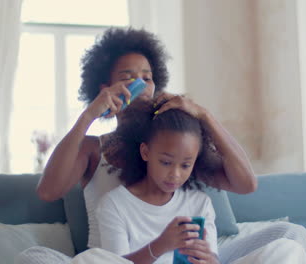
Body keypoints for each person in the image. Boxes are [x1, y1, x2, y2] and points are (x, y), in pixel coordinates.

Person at [36, 27, 257, 251]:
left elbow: (247, 184)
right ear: (105, 89)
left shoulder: (170, 148)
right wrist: (89, 115)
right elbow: (48, 191)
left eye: (147, 78)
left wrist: (204, 115)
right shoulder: (93, 148)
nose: (140, 84)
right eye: (127, 77)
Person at [96, 98, 221, 264]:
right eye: (166, 162)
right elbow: (115, 262)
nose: (175, 175)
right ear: (146, 152)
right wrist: (160, 245)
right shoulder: (114, 204)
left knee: (267, 250)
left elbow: (213, 259)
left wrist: (210, 260)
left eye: (185, 165)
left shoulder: (200, 203)